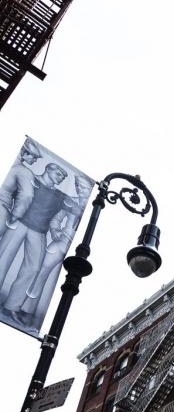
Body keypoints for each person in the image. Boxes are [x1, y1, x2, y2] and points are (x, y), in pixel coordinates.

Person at [18, 175, 93, 331]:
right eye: (78, 187)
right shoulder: (69, 201)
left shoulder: (93, 208)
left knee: (61, 280)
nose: (81, 191)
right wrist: (56, 232)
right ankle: (26, 309)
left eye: (84, 188)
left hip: (80, 250)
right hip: (62, 242)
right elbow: (56, 220)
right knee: (41, 272)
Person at [0, 163, 69, 326]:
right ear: (48, 169)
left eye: (63, 176)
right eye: (59, 173)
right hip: (19, 223)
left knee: (33, 268)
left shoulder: (60, 196)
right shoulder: (29, 180)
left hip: (39, 231)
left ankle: (12, 306)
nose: (61, 177)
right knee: (2, 258)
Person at [0, 139, 42, 240]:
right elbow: (27, 195)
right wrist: (15, 216)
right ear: (24, 152)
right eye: (34, 157)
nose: (35, 160)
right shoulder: (24, 171)